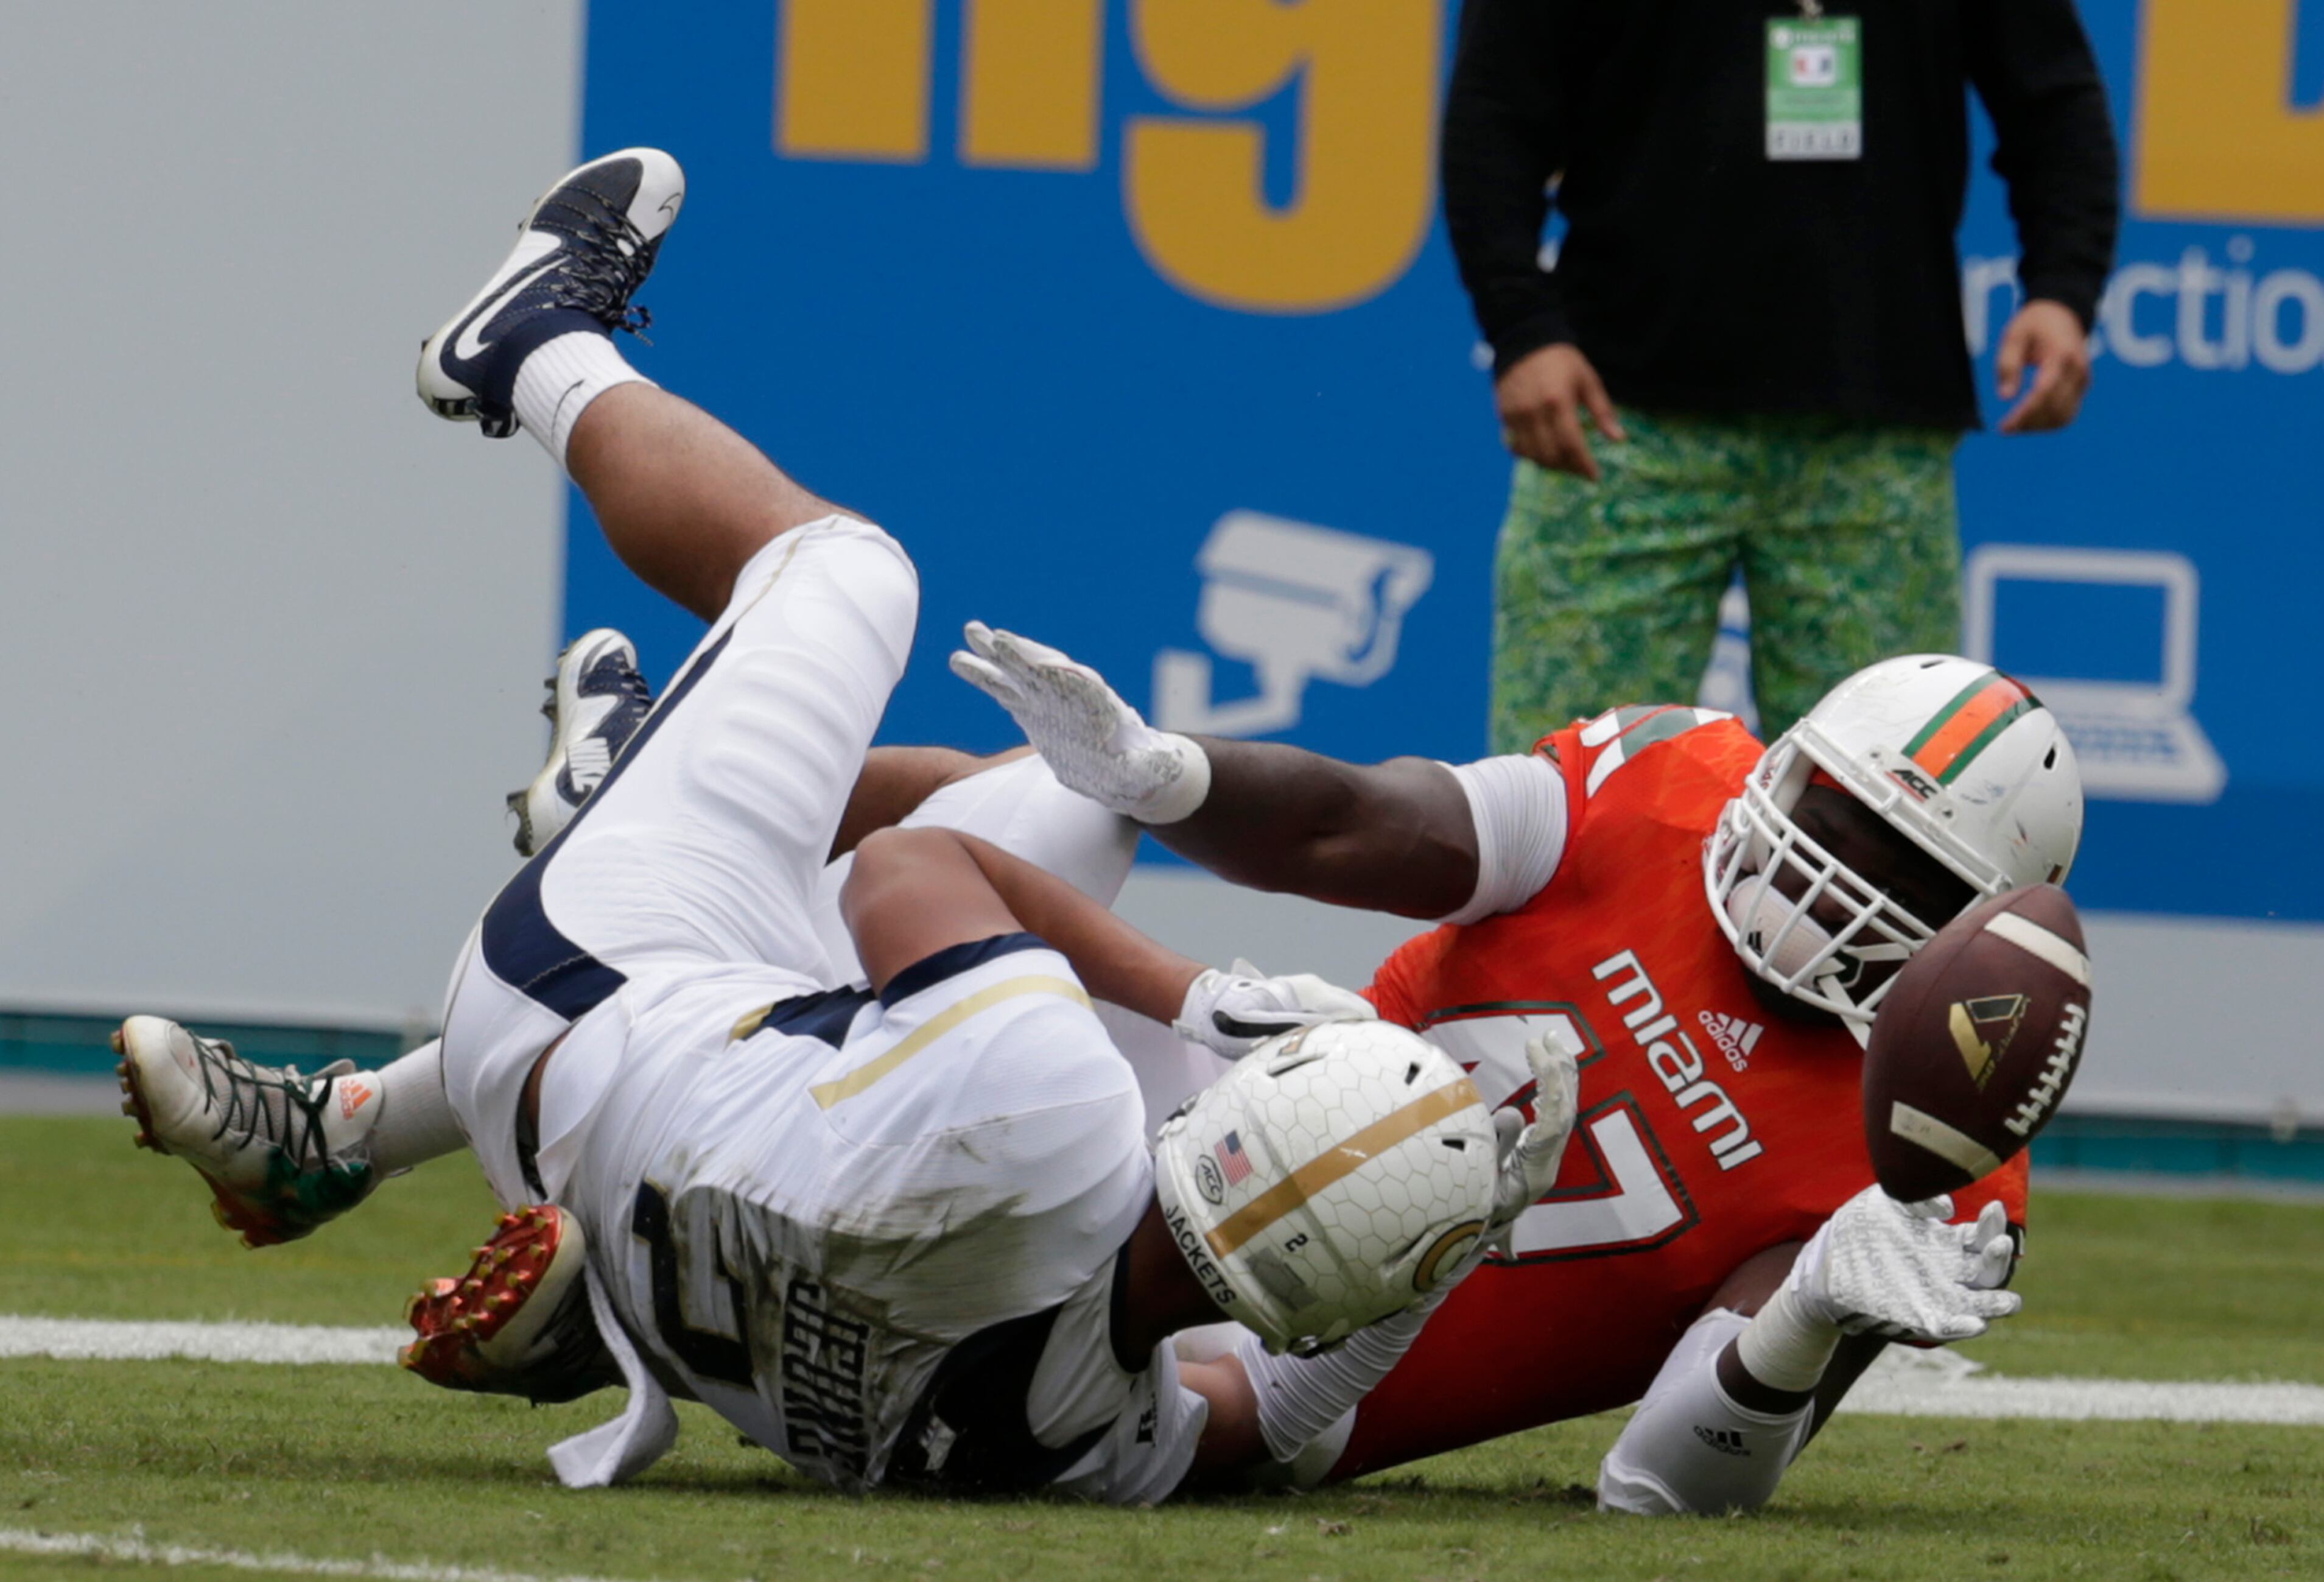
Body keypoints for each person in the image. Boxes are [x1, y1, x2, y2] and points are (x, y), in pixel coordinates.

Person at [117, 148, 1586, 1500]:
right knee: (1031, 814)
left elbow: (911, 867)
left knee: (848, 575)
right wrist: (1401, 1279)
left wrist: (1201, 998)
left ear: (1216, 1132)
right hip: (598, 1188)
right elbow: (1265, 1419)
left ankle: (528, 351)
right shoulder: (1086, 1441)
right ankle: (361, 1126)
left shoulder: (1067, 1127)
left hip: (579, 982)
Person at [949, 623, 2073, 1510]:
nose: (1827, 883)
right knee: (1050, 803)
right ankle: (782, 988)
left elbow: (1661, 1485)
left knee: (1000, 1365)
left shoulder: (1930, 1138)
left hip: (1289, 1363)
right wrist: (1168, 774)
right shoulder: (1665, 777)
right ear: (1784, 767)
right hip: (1220, 1114)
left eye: (1901, 870)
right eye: (1831, 818)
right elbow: (1359, 820)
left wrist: (1815, 1307)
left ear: (1972, 931)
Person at [1442, 0, 2121, 747]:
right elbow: (1492, 110)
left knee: (1883, 813)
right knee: (1563, 799)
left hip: (1874, 442)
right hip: (1618, 426)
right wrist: (1522, 328)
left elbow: (2056, 102)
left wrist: (2063, 289)